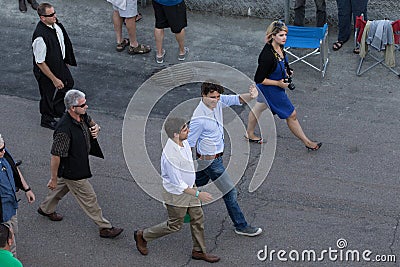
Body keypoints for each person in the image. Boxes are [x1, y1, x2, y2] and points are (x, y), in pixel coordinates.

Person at [37, 89, 123, 239]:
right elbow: (56, 155)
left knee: (61, 189)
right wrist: (53, 178)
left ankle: (45, 209)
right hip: (73, 169)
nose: (86, 107)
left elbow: (93, 124)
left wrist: (97, 128)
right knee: (89, 198)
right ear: (72, 108)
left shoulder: (82, 116)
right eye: (83, 105)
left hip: (78, 162)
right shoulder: (63, 130)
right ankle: (104, 227)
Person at [134, 117, 220, 263]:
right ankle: (143, 235)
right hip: (177, 195)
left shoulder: (183, 142)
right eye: (185, 129)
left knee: (197, 217)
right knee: (174, 225)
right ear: (175, 134)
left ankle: (199, 251)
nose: (188, 131)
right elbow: (178, 184)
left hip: (190, 188)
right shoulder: (170, 156)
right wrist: (199, 194)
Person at [187, 81, 262, 237]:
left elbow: (238, 99)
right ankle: (241, 225)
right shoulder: (199, 119)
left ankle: (180, 208)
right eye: (212, 97)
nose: (216, 100)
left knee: (197, 185)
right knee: (230, 191)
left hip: (210, 158)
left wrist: (252, 95)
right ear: (203, 95)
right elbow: (189, 144)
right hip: (210, 161)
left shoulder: (218, 102)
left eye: (218, 96)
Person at [245, 21, 322, 151]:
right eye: (281, 35)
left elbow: (281, 62)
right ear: (272, 36)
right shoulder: (267, 56)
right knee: (291, 115)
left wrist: (287, 70)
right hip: (271, 89)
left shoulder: (279, 47)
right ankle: (308, 143)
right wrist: (278, 83)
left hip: (272, 87)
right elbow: (258, 79)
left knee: (258, 108)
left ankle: (249, 134)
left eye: (285, 34)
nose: (285, 38)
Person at [32, 3, 77, 130]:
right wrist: (54, 79)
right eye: (51, 15)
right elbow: (40, 62)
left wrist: (65, 59)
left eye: (54, 12)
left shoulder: (54, 24)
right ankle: (46, 119)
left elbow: (61, 42)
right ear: (42, 18)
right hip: (46, 71)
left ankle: (57, 109)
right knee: (47, 95)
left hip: (59, 64)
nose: (55, 16)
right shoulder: (40, 37)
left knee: (68, 83)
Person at [0, 134, 36, 256]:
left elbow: (14, 168)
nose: (3, 151)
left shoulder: (4, 154)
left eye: (4, 147)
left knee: (13, 233)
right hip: (2, 214)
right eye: (0, 150)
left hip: (11, 207)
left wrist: (27, 189)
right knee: (9, 245)